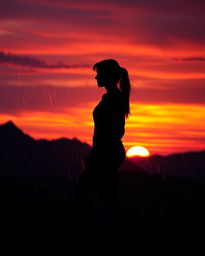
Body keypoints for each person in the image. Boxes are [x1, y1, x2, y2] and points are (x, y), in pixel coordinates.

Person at [75, 59, 131, 230]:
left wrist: (97, 153)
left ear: (106, 76)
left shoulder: (113, 98)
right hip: (109, 152)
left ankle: (95, 229)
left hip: (107, 152)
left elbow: (112, 131)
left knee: (82, 191)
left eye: (98, 74)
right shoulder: (112, 97)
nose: (96, 78)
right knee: (107, 196)